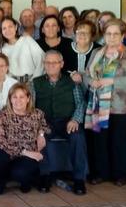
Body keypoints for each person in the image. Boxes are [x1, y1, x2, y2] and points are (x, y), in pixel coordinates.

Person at [84, 19, 126, 186]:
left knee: (120, 142)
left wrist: (111, 81)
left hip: (122, 106)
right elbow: (87, 74)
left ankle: (120, 174)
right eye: (108, 33)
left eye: (116, 33)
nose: (112, 37)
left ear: (123, 35)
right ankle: (101, 173)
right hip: (98, 105)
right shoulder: (96, 53)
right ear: (104, 35)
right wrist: (90, 82)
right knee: (100, 141)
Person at [31, 51, 88, 195]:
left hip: (67, 121)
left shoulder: (72, 82)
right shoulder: (35, 83)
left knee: (78, 137)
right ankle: (44, 176)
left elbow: (81, 102)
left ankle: (79, 179)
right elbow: (30, 106)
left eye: (54, 62)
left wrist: (75, 119)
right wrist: (39, 126)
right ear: (44, 64)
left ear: (61, 64)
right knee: (39, 137)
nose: (50, 65)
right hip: (45, 122)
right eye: (47, 63)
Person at [0, 84, 49, 195]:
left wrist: (41, 134)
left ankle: (25, 182)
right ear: (10, 99)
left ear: (28, 98)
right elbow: (1, 141)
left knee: (20, 172)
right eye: (14, 97)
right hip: (9, 152)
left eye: (22, 97)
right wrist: (25, 152)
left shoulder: (37, 114)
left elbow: (45, 127)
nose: (18, 100)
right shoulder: (1, 116)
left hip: (26, 156)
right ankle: (1, 181)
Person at [0, 17, 44, 82]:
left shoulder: (27, 40)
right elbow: (3, 71)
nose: (7, 30)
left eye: (10, 26)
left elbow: (41, 60)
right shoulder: (1, 50)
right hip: (13, 84)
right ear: (1, 32)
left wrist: (33, 81)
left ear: (16, 27)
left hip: (32, 81)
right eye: (4, 28)